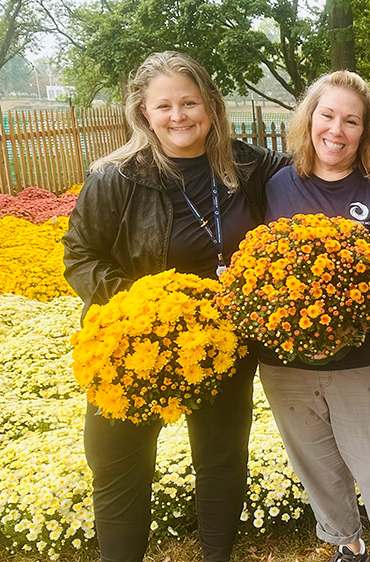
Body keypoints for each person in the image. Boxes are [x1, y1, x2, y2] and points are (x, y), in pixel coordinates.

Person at [62, 51, 292, 562]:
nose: (178, 116)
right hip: (130, 349)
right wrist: (138, 303)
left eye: (189, 102)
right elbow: (79, 256)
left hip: (221, 346)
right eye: (163, 105)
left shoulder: (249, 165)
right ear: (143, 112)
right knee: (119, 465)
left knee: (220, 459)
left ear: (210, 105)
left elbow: (318, 163)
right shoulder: (115, 177)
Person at [257, 71, 370, 562]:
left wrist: (340, 328)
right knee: (318, 466)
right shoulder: (277, 184)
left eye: (351, 121)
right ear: (309, 118)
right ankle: (347, 545)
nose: (337, 130)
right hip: (288, 364)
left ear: (365, 132)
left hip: (367, 361)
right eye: (327, 115)